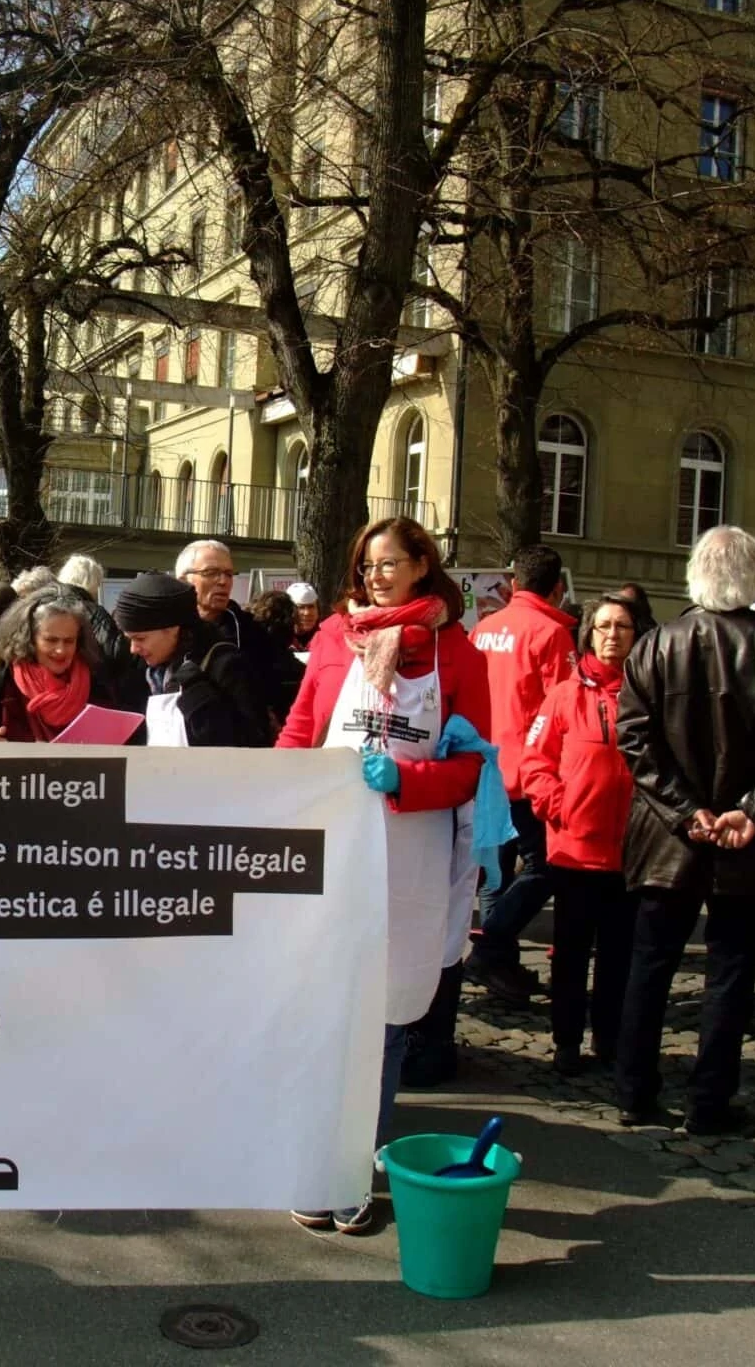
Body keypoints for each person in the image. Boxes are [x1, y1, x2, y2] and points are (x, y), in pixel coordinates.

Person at [277, 516, 492, 1233]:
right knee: (323, 1007)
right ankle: (313, 1156)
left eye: (390, 563)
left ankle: (355, 1168)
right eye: (367, 565)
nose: (375, 576)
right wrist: (272, 793)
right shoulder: (336, 639)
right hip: (332, 848)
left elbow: (468, 769)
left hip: (410, 853)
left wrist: (404, 778)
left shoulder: (458, 654)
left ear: (424, 567)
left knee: (384, 1021)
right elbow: (302, 730)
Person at [613, 526, 755, 1136]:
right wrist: (746, 809)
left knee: (650, 966)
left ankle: (634, 1091)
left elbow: (634, 737)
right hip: (738, 839)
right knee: (729, 971)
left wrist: (689, 810)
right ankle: (708, 1100)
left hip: (674, 837)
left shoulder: (658, 645)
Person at [521, 595, 641, 1076]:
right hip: (574, 850)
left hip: (631, 852)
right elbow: (535, 760)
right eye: (605, 626)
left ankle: (609, 1040)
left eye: (623, 627)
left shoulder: (645, 694)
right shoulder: (565, 695)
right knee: (570, 957)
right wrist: (559, 806)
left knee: (619, 958)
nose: (613, 635)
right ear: (589, 634)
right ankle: (566, 1040)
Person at [467, 544, 578, 1005]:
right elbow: (563, 710)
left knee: (497, 872)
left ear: (514, 583)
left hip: (483, 768)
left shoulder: (485, 628)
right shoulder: (552, 633)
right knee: (546, 866)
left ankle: (501, 966)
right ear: (556, 588)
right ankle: (492, 947)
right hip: (527, 772)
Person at [113, 572, 269, 747]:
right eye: (129, 639)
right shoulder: (140, 673)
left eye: (140, 639)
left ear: (173, 629)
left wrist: (197, 692)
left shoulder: (225, 666)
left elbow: (253, 741)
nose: (133, 649)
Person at [0, 587, 116, 741]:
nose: (60, 650)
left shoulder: (96, 686)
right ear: (30, 638)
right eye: (51, 640)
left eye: (69, 641)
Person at [176, 538, 300, 727]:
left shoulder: (252, 631)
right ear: (184, 579)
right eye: (211, 573)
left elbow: (292, 682)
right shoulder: (167, 630)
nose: (223, 581)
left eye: (228, 573)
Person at [56, 554, 146, 711]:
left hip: (58, 691)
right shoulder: (93, 611)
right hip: (91, 693)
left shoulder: (48, 606)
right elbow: (116, 654)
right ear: (92, 583)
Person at [288, 581, 322, 648]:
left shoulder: (326, 636)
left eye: (311, 606)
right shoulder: (279, 640)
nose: (307, 613)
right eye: (301, 607)